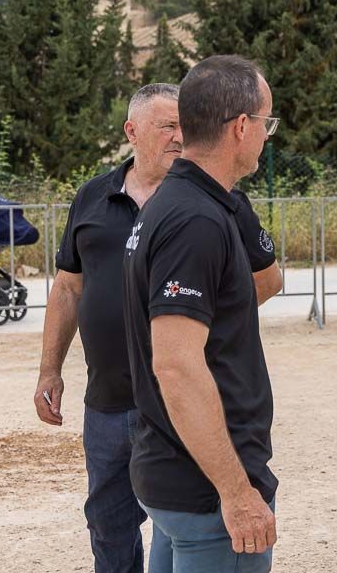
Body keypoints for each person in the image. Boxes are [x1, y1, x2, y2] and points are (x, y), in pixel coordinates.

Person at [33, 82, 281, 573]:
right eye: (167, 126)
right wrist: (49, 369)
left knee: (175, 526)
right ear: (132, 131)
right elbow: (67, 288)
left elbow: (266, 280)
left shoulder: (218, 202)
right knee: (109, 522)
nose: (177, 137)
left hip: (179, 398)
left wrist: (192, 317)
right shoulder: (94, 197)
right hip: (111, 397)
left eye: (183, 126)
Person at [123, 56, 278, 572]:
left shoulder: (177, 202)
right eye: (265, 123)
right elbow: (176, 365)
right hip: (206, 489)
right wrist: (236, 493)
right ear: (240, 127)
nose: (265, 137)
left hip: (176, 472)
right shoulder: (195, 219)